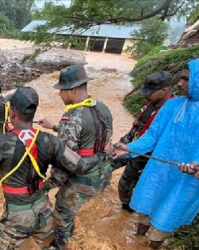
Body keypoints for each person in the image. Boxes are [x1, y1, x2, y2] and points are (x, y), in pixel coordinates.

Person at [0, 86, 113, 250]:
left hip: (17, 217)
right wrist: (103, 155)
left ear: (11, 114)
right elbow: (80, 164)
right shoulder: (50, 141)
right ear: (32, 114)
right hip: (43, 211)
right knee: (53, 246)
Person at [113, 59, 199, 249]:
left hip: (186, 180)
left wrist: (196, 163)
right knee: (145, 209)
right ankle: (136, 242)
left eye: (186, 79)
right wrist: (129, 148)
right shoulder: (172, 105)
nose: (179, 84)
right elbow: (151, 136)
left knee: (166, 219)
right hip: (157, 171)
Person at [38, 64, 113, 249]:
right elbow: (92, 136)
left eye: (61, 91)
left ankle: (60, 245)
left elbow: (65, 165)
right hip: (103, 174)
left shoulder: (71, 118)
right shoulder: (102, 107)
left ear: (72, 89)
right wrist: (53, 127)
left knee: (61, 214)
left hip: (84, 179)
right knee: (72, 208)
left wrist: (46, 186)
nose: (59, 95)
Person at [112, 71, 175, 212]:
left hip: (145, 154)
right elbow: (139, 124)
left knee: (125, 183)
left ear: (164, 90)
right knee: (107, 163)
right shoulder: (152, 102)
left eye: (150, 92)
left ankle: (127, 209)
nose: (147, 94)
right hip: (131, 140)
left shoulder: (173, 110)